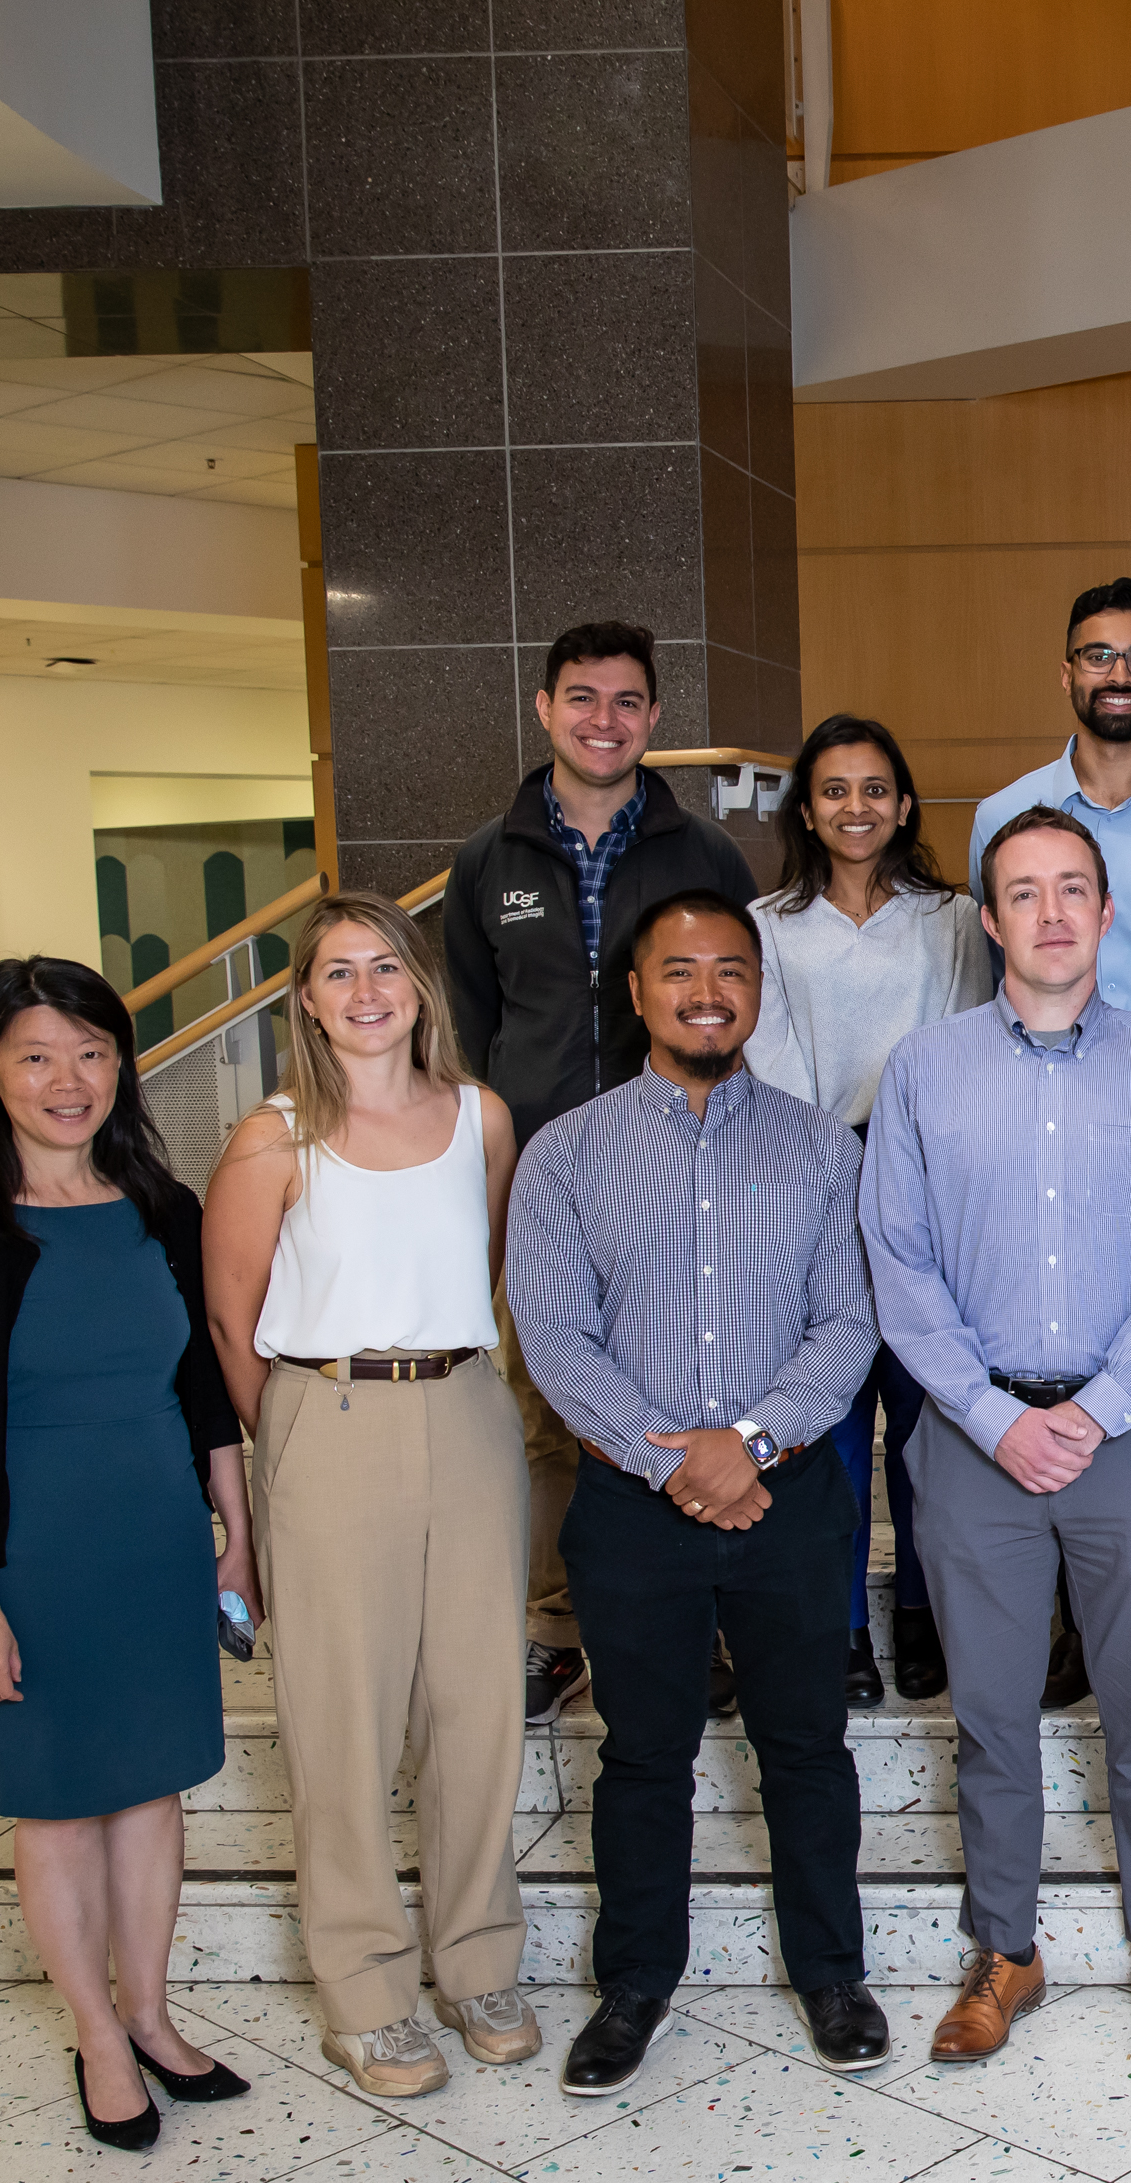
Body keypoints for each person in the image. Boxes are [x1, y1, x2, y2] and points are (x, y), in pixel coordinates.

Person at [865, 808, 1131, 2067]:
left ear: (1108, 912)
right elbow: (899, 1265)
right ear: (990, 917)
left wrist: (1099, 1406)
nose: (1054, 913)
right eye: (1025, 892)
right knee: (993, 1714)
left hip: (1127, 1431)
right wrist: (990, 1414)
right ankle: (1003, 1948)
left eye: (1075, 888)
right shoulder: (923, 1069)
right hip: (976, 1441)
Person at [507, 891, 887, 2096]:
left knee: (809, 1749)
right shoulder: (564, 1153)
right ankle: (634, 1987)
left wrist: (753, 1442)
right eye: (680, 969)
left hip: (789, 1499)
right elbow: (554, 1338)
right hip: (633, 1509)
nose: (707, 989)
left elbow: (849, 1323)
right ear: (637, 990)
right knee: (642, 1756)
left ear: (758, 992)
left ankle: (832, 1972)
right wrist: (677, 1461)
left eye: (731, 968)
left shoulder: (825, 1148)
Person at [0, 958, 254, 2151]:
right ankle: (98, 2037)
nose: (69, 1079)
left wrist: (237, 1537)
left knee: (152, 1790)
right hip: (30, 1555)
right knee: (55, 1808)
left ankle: (151, 2014)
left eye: (92, 1051)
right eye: (38, 1055)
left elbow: (205, 1387)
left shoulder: (163, 1205)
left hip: (154, 1538)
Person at [201, 892, 537, 2098]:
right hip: (325, 1412)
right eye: (336, 973)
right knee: (342, 1717)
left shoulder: (481, 1119)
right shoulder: (273, 1139)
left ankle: (478, 1960)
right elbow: (232, 1323)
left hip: (465, 1406)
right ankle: (366, 1989)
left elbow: (491, 1269)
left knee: (479, 1706)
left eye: (383, 966)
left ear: (420, 983)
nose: (364, 991)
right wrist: (287, 1444)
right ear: (306, 1000)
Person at [443, 621, 761, 1729]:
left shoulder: (703, 852)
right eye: (582, 698)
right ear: (544, 708)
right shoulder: (490, 859)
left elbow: (728, 1011)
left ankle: (702, 1617)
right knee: (546, 1411)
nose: (603, 720)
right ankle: (558, 1626)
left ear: (654, 717)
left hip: (675, 1169)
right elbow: (475, 1031)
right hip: (538, 1175)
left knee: (688, 1394)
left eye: (627, 702)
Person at [970, 579, 1131, 1714]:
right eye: (1096, 656)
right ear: (1066, 672)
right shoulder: (1003, 812)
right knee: (1038, 1353)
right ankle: (1064, 1624)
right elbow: (989, 975)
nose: (1117, 674)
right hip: (1035, 1111)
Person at [750, 713, 993, 1705]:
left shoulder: (950, 917)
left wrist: (902, 1167)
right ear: (806, 807)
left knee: (930, 1422)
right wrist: (830, 1176)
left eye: (875, 789)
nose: (857, 808)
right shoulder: (767, 923)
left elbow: (961, 1048)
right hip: (811, 1188)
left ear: (902, 804)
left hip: (926, 1185)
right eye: (835, 790)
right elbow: (771, 1063)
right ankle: (842, 1622)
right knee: (835, 1428)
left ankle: (924, 1610)